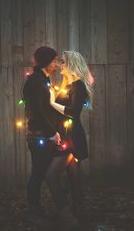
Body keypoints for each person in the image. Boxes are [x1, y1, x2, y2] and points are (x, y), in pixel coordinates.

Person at [45, 50, 94, 229]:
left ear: (72, 64)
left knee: (51, 175)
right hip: (65, 134)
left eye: (63, 62)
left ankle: (67, 216)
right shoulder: (68, 85)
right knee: (73, 175)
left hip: (71, 135)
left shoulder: (78, 86)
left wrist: (51, 102)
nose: (59, 65)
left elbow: (73, 112)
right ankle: (78, 210)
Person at [22, 46, 61, 226]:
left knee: (42, 173)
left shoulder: (43, 79)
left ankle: (46, 209)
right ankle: (34, 212)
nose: (56, 64)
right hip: (40, 136)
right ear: (46, 61)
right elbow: (37, 111)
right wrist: (52, 133)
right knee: (37, 175)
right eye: (54, 60)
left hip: (44, 135)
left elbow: (44, 107)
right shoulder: (36, 81)